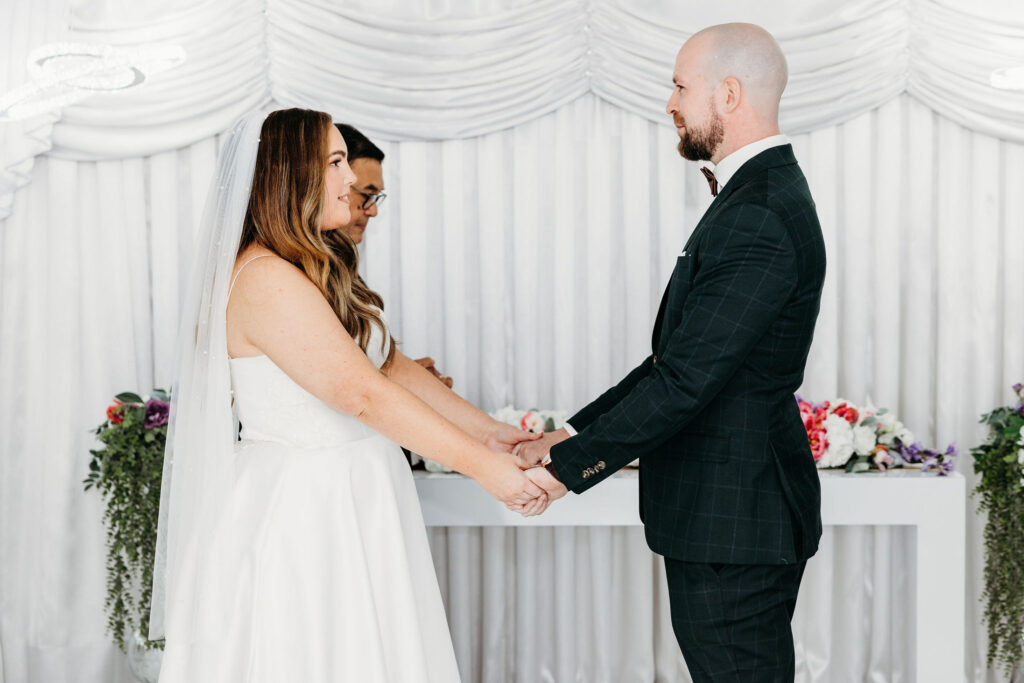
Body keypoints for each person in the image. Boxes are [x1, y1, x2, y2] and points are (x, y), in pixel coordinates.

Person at [152, 108, 546, 682]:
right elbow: (360, 393)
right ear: (292, 177)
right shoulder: (264, 277)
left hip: (357, 489)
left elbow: (390, 366)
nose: (350, 180)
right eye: (335, 162)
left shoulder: (312, 268)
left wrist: (494, 434)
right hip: (308, 504)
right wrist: (486, 470)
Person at [516, 23, 826, 683]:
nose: (670, 102)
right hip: (731, 518)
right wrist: (569, 434)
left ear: (730, 94)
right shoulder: (757, 195)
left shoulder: (759, 212)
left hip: (733, 523)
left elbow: (684, 382)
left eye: (681, 86)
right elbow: (677, 363)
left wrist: (563, 471)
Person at [331, 122, 452, 388]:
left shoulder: (342, 266)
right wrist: (407, 385)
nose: (373, 211)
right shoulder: (293, 272)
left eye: (377, 198)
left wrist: (412, 375)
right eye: (367, 194)